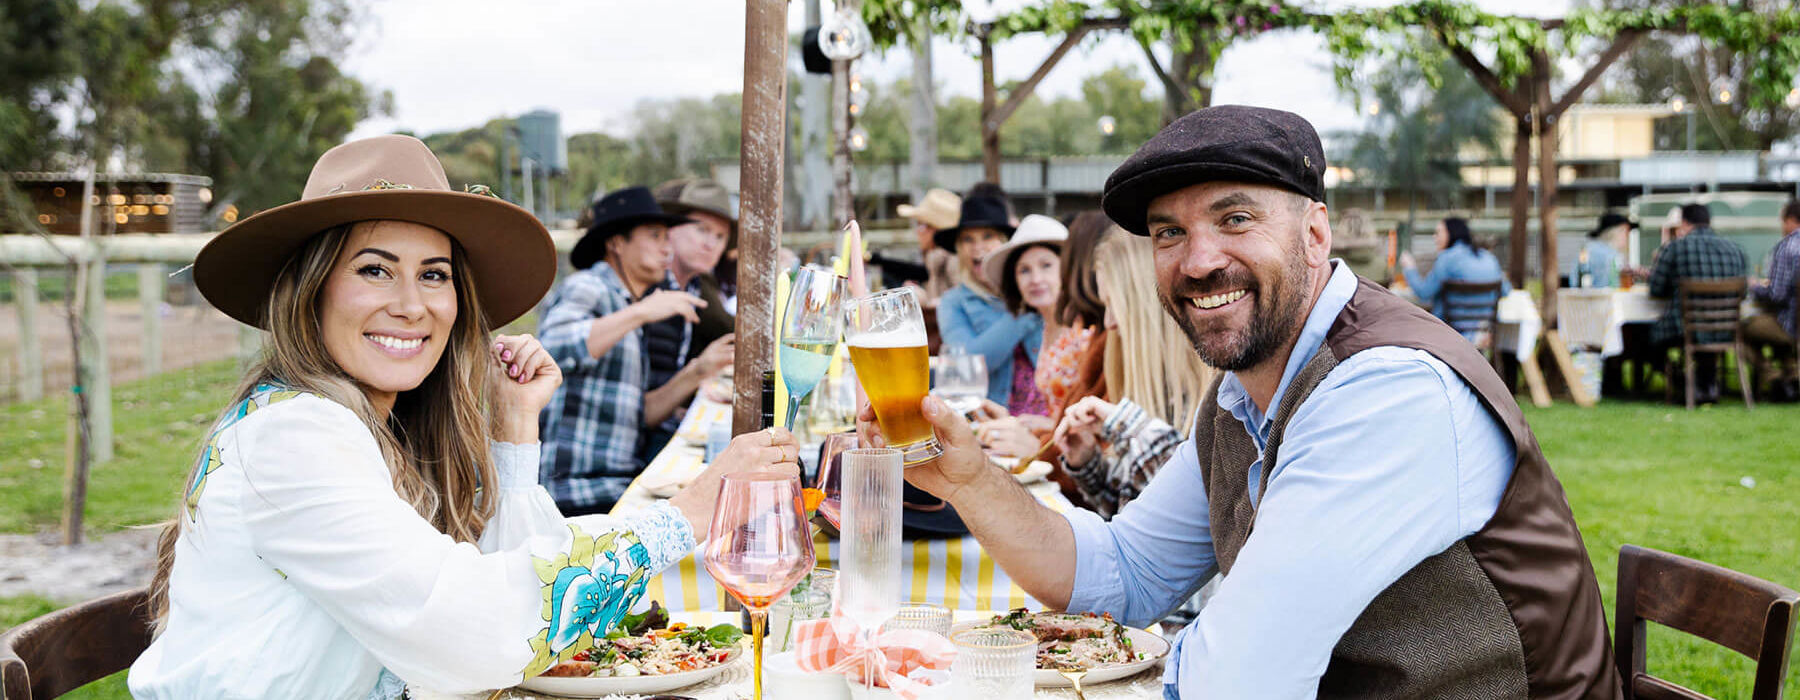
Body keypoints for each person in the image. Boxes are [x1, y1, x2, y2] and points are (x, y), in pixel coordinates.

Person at [864, 106, 1620, 698]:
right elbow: (1124, 575)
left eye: (1235, 219)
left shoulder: (1388, 392)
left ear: (1316, 232)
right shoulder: (1245, 393)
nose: (1198, 261)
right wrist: (967, 481)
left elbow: (1241, 678)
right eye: (1169, 232)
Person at [131, 135, 801, 699]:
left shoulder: (370, 424)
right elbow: (467, 632)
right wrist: (686, 514)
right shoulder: (294, 435)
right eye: (373, 269)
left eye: (433, 275)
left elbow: (494, 593)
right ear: (310, 291)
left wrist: (514, 434)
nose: (411, 305)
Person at [540, 187, 735, 516]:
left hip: (619, 483)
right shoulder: (591, 286)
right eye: (655, 236)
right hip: (577, 491)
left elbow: (640, 415)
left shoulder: (626, 305)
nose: (666, 247)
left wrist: (699, 370)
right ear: (616, 242)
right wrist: (643, 312)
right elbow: (551, 350)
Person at [1053, 229, 1214, 520]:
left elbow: (1190, 509)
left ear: (1144, 305)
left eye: (1113, 304)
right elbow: (1135, 510)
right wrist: (1089, 464)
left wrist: (1126, 425)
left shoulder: (1218, 391)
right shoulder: (1160, 383)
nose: (1109, 322)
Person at [634, 179, 739, 462]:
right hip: (634, 447)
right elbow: (632, 407)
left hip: (662, 423)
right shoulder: (646, 288)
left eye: (719, 236)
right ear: (670, 228)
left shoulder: (692, 287)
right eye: (701, 229)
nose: (710, 244)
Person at [935, 194, 1043, 405]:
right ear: (959, 247)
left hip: (1049, 413)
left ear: (1004, 243)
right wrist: (1023, 311)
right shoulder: (953, 302)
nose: (978, 247)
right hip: (993, 416)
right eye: (968, 239)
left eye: (988, 236)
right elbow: (967, 365)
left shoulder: (1036, 286)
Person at [1648, 202, 1748, 405]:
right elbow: (1744, 293)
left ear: (1684, 223)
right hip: (1726, 329)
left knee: (1645, 335)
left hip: (1684, 327)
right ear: (1708, 222)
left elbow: (1656, 289)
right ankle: (1707, 385)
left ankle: (1686, 383)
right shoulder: (1735, 249)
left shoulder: (1675, 247)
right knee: (1703, 336)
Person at [1398, 217, 1510, 339]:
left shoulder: (1447, 258)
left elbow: (1424, 293)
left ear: (1451, 232)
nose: (1434, 237)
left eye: (1438, 233)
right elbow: (1506, 291)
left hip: (1450, 333)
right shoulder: (1488, 258)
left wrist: (1409, 268)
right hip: (1485, 331)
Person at [1744, 198, 1800, 400]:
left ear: (1791, 220)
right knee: (1771, 329)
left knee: (1740, 329)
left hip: (1790, 325)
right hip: (1794, 323)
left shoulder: (1788, 247)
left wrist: (1755, 286)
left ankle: (1773, 378)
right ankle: (1793, 376)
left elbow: (1777, 295)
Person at [896, 187, 964, 305]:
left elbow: (963, 302)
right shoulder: (934, 258)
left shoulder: (954, 260)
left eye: (922, 225)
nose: (918, 231)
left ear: (938, 231)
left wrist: (925, 301)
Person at [1571, 212, 1633, 288]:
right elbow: (1614, 287)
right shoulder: (1612, 256)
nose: (1627, 238)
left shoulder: (1586, 249)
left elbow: (1575, 282)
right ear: (1616, 232)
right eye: (1626, 232)